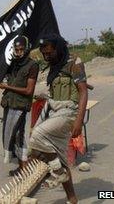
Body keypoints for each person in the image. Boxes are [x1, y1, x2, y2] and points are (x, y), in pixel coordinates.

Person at [29, 34, 88, 204]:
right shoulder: (53, 66)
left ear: (58, 49)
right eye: (44, 54)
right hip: (55, 110)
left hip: (70, 111)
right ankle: (72, 198)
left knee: (38, 135)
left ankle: (57, 172)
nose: (47, 56)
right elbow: (56, 91)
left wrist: (79, 120)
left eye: (49, 53)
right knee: (56, 156)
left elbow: (83, 92)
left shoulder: (74, 62)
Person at [0, 35, 39, 176]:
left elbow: (28, 90)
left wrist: (7, 87)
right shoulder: (13, 64)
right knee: (11, 136)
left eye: (21, 49)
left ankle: (24, 168)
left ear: (26, 49)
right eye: (16, 49)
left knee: (19, 136)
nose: (19, 52)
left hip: (20, 106)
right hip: (9, 104)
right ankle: (22, 166)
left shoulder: (32, 65)